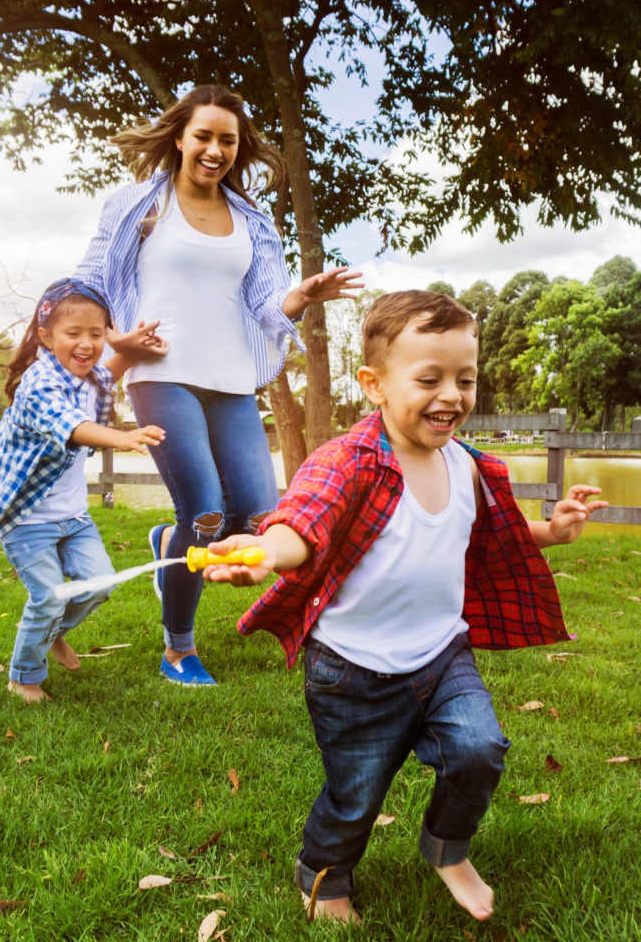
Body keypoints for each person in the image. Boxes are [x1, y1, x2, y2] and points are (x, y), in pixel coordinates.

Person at [203, 290, 607, 924]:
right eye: (429, 378)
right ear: (375, 385)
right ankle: (324, 877)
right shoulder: (348, 460)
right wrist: (265, 551)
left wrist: (552, 531)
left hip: (442, 655)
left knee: (479, 748)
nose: (452, 395)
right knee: (356, 794)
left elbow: (490, 533)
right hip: (351, 671)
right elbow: (304, 521)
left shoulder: (469, 467)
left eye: (465, 379)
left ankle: (448, 847)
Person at [74, 83, 363, 686]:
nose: (214, 149)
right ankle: (178, 648)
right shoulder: (139, 206)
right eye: (203, 136)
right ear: (179, 137)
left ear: (239, 147)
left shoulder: (253, 221)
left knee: (259, 516)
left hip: (232, 376)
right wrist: (112, 345)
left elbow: (264, 303)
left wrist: (300, 296)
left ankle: (168, 544)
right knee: (204, 514)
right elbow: (92, 278)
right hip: (163, 373)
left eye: (226, 140)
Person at [0, 278, 167, 703]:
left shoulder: (86, 375)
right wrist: (120, 436)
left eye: (96, 334)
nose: (86, 344)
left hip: (72, 516)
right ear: (46, 338)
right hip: (25, 516)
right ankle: (23, 677)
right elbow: (72, 426)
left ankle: (49, 630)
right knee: (47, 596)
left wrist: (129, 349)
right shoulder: (39, 383)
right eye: (73, 334)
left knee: (99, 584)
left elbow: (108, 371)